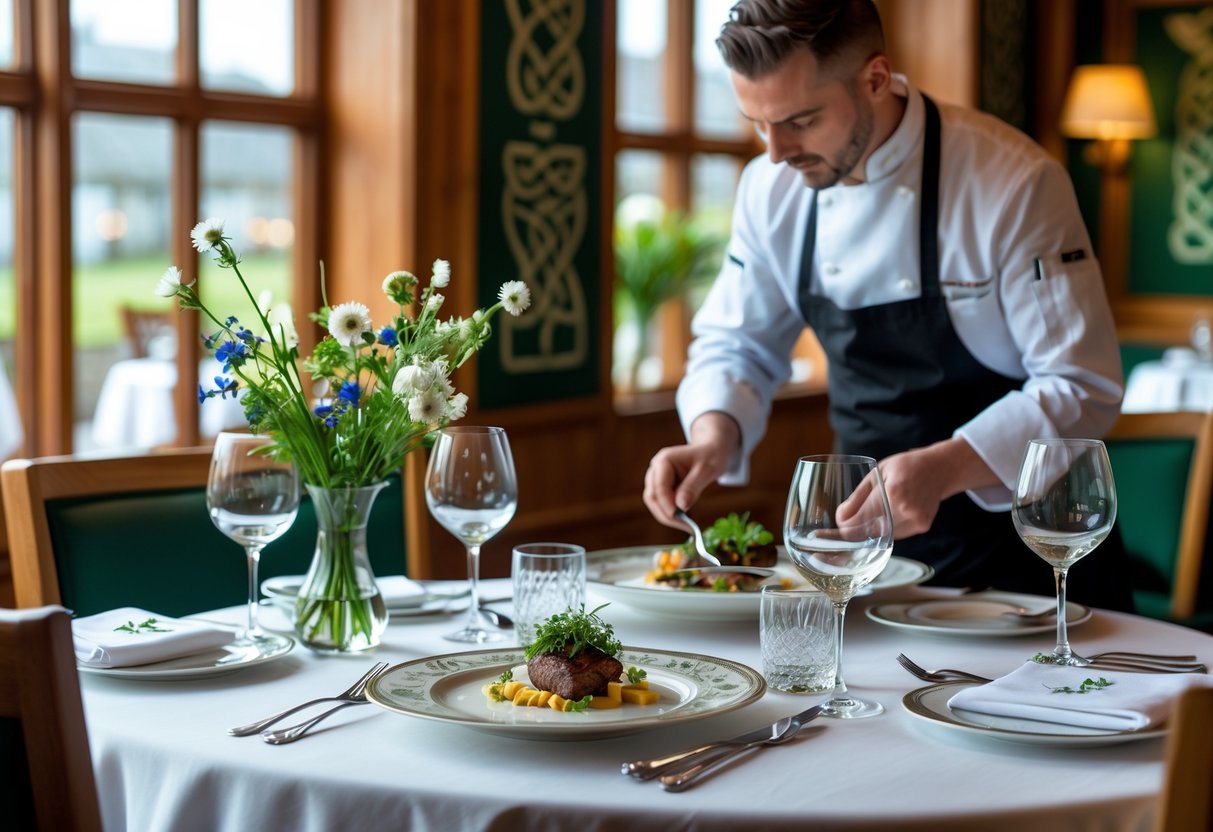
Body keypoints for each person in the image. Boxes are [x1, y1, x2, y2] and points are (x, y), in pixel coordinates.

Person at [642, 0, 1134, 611]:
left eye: (801, 119)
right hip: (866, 557)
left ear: (875, 78)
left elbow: (1083, 384)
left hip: (1031, 558)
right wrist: (712, 439)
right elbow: (736, 344)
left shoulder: (1013, 182)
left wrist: (945, 468)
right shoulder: (772, 191)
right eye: (756, 122)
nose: (775, 152)